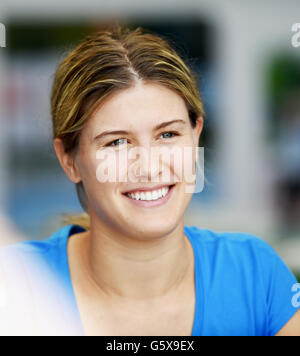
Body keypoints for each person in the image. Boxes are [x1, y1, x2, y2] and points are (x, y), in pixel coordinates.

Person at [0, 25, 299, 336]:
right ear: (69, 160)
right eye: (116, 142)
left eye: (168, 134)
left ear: (195, 136)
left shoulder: (254, 275)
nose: (149, 167)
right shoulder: (16, 286)